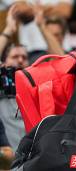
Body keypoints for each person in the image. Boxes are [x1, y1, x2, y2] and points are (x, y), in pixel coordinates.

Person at [0, 5, 27, 151]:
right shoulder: (3, 86)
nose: (21, 60)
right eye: (15, 56)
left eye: (24, 57)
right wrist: (8, 31)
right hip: (11, 160)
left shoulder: (36, 84)